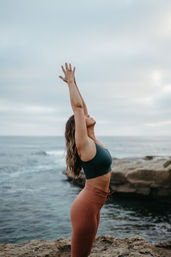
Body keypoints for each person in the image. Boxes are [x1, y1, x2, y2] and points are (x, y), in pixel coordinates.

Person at [59, 62, 114, 257]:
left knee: (85, 253)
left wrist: (76, 84)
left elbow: (82, 105)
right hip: (86, 205)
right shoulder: (84, 145)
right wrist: (70, 83)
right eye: (83, 116)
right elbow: (78, 107)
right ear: (79, 126)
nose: (87, 114)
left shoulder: (93, 141)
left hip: (95, 204)